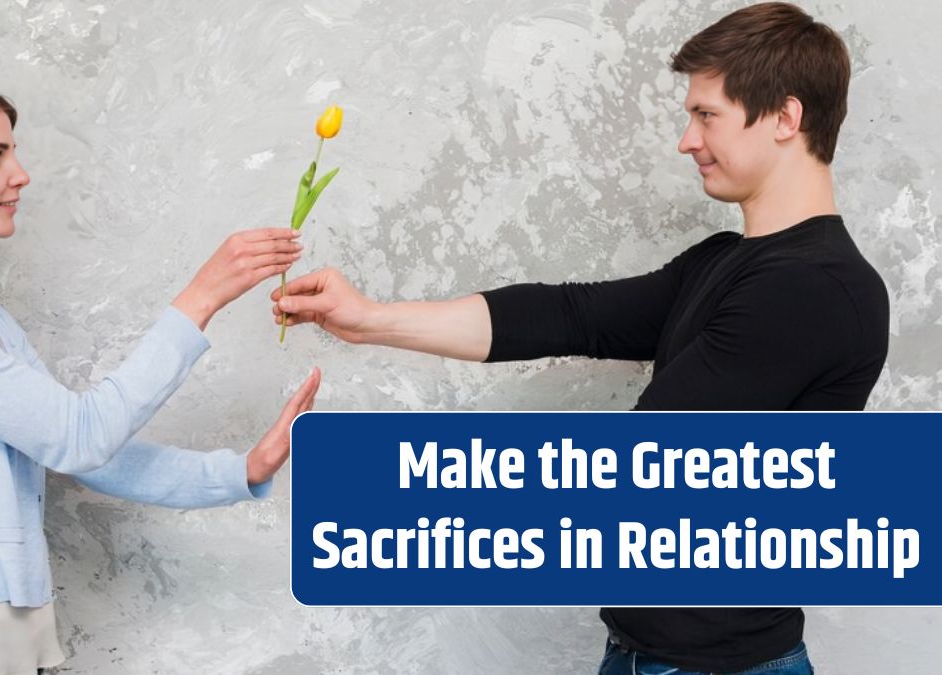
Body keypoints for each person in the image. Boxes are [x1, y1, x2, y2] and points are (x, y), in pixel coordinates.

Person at [271, 3, 888, 674]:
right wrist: (368, 319)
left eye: (706, 114)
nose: (687, 139)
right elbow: (568, 315)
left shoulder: (813, 289)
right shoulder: (724, 262)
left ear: (785, 119)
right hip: (643, 653)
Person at [0, 73, 320, 675]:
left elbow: (87, 453)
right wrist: (199, 299)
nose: (20, 173)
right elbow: (80, 434)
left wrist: (240, 471)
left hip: (7, 657)